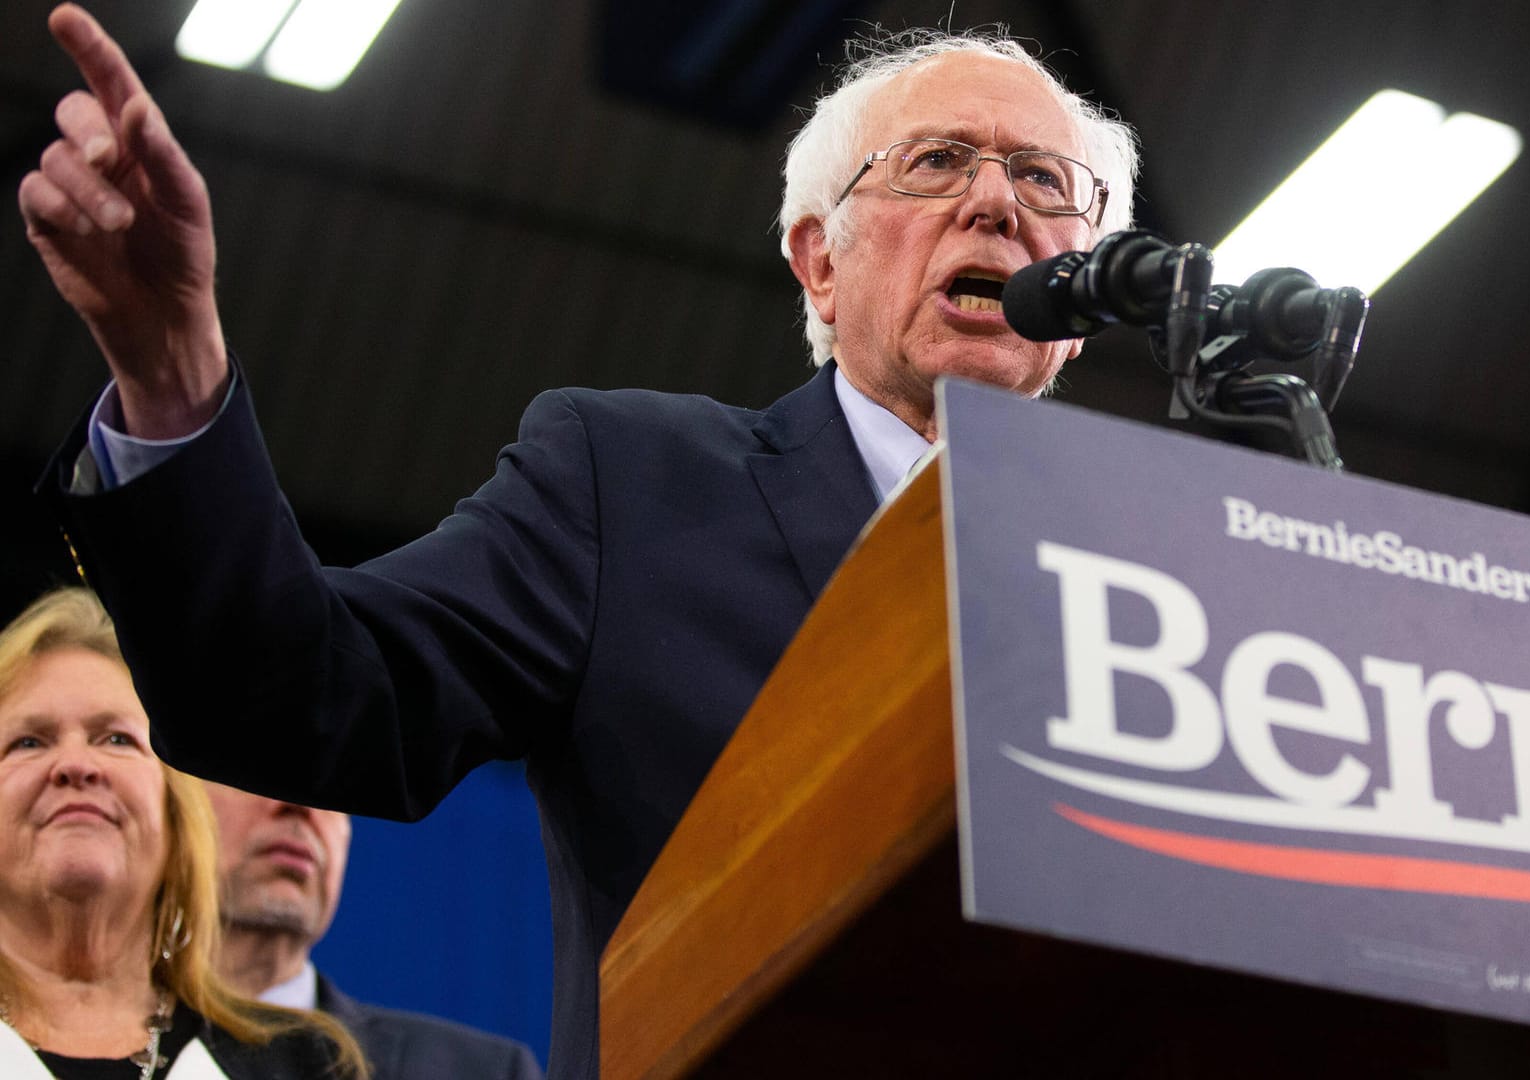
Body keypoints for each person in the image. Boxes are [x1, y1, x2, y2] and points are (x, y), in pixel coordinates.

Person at [20, 5, 1136, 1076]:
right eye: (938, 162)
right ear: (819, 263)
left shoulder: (1150, 586)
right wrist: (171, 375)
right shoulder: (636, 486)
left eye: (1044, 180)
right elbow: (312, 691)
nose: (996, 203)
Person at [0, 587, 367, 1079]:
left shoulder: (305, 1063)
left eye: (116, 738)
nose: (75, 764)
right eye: (28, 741)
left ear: (178, 815)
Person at [204, 782, 543, 1078]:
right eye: (251, 773)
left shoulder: (484, 1074)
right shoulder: (152, 1045)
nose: (300, 804)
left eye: (323, 783)